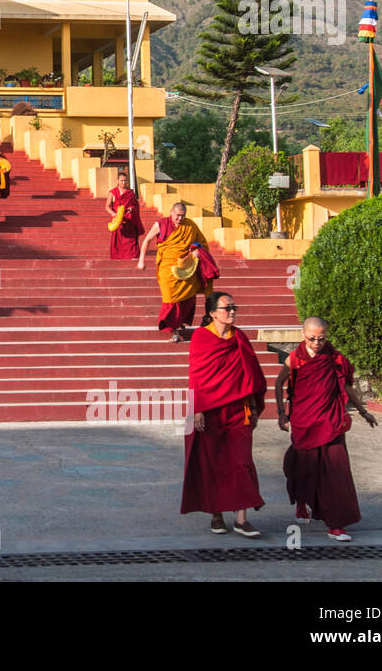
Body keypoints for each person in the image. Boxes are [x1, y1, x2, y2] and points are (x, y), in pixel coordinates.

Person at [277, 317, 377, 542]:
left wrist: (363, 412)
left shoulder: (336, 359)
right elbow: (278, 383)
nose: (316, 343)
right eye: (311, 338)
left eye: (321, 339)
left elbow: (347, 387)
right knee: (304, 469)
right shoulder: (295, 358)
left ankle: (336, 524)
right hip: (304, 422)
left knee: (336, 473)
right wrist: (282, 413)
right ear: (303, 334)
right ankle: (302, 503)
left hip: (331, 423)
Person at [181, 291, 267, 537]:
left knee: (241, 462)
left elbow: (251, 373)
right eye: (226, 308)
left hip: (239, 410)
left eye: (233, 307)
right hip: (210, 411)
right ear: (212, 313)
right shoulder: (201, 337)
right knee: (214, 462)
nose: (232, 312)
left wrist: (254, 407)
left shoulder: (239, 337)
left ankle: (241, 519)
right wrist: (197, 409)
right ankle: (216, 514)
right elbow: (196, 375)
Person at [136, 201, 218, 342]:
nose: (180, 218)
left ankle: (178, 325)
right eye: (178, 215)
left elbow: (202, 244)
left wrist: (197, 250)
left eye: (183, 216)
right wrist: (141, 260)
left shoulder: (190, 226)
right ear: (171, 213)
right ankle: (169, 326)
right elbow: (147, 240)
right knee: (170, 297)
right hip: (167, 267)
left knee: (188, 296)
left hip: (186, 266)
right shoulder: (161, 224)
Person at [106, 170, 145, 260]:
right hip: (118, 220)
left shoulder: (130, 193)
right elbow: (107, 206)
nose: (123, 183)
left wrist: (132, 208)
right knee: (118, 240)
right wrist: (114, 214)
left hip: (129, 219)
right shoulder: (113, 192)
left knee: (131, 240)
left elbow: (135, 205)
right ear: (117, 180)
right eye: (121, 181)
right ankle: (117, 256)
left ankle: (133, 255)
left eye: (125, 181)